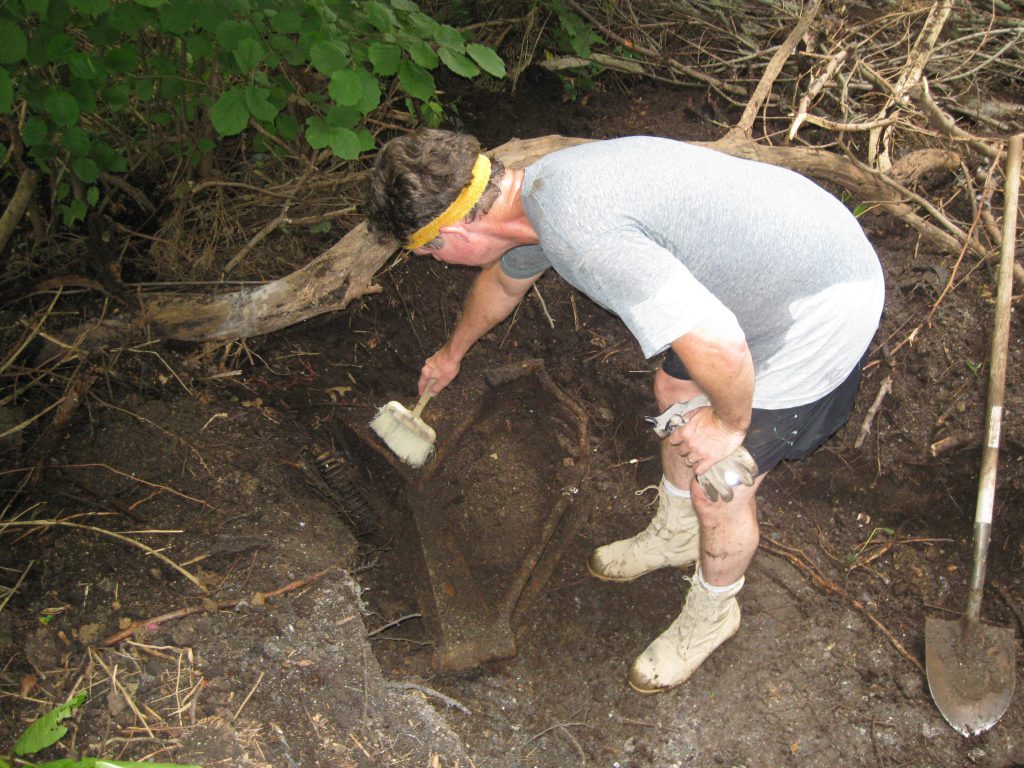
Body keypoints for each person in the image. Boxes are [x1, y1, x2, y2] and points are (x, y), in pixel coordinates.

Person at [364, 129, 885, 692]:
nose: (439, 265)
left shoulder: (583, 234)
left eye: (430, 252)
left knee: (723, 483)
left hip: (819, 301)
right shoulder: (536, 192)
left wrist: (728, 426)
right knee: (676, 391)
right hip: (768, 268)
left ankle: (715, 613)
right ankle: (677, 533)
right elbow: (505, 282)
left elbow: (720, 344)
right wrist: (451, 354)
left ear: (457, 229)